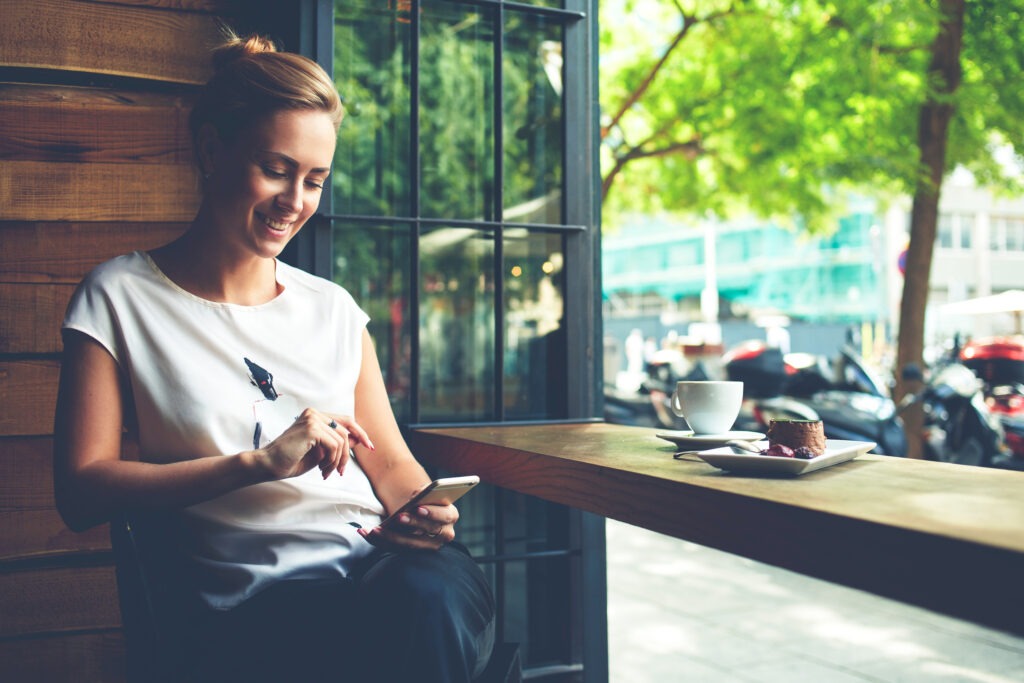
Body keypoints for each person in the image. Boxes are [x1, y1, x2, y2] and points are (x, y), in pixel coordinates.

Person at [52, 30, 495, 683]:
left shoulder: (334, 308)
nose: (296, 201)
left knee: (423, 600)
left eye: (315, 180)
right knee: (401, 630)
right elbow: (81, 489)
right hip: (260, 604)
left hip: (393, 572)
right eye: (277, 169)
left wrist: (421, 512)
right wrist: (256, 464)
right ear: (212, 149)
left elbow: (391, 460)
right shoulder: (120, 296)